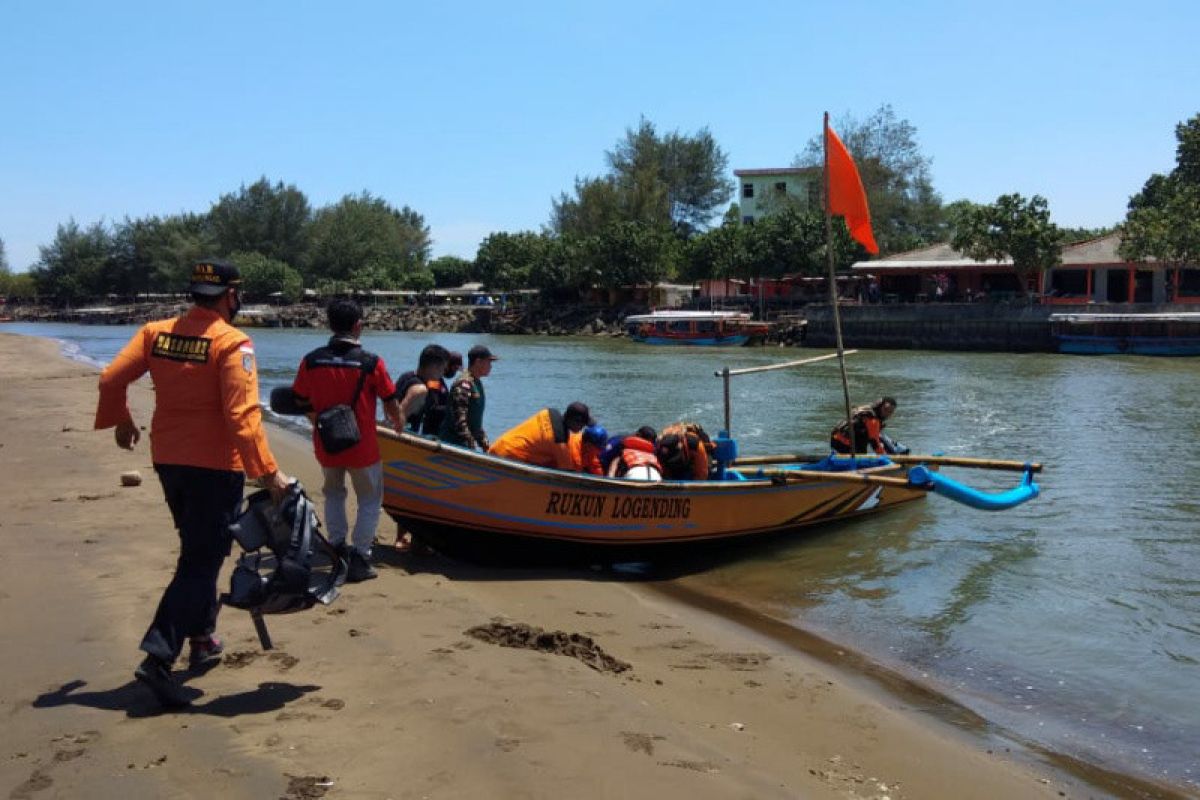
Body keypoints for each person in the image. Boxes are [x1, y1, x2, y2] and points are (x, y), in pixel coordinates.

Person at [94, 258, 291, 709]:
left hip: (168, 460)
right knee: (201, 562)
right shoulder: (232, 342)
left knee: (200, 549)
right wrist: (268, 471)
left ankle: (202, 637)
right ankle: (159, 657)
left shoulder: (155, 333)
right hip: (214, 467)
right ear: (231, 296)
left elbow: (110, 379)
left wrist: (122, 419)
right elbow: (242, 416)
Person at [291, 299, 401, 583]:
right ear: (358, 326)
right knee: (369, 500)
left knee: (334, 493)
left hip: (326, 445)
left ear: (330, 324)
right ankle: (361, 557)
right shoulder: (371, 362)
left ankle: (337, 547)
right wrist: (400, 424)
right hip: (363, 446)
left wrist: (318, 422)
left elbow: (300, 399)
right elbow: (390, 401)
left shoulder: (311, 360)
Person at [488, 402, 593, 470]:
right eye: (582, 425)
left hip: (497, 447)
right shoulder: (559, 443)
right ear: (574, 422)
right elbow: (568, 476)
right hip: (508, 459)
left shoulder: (548, 412)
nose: (582, 428)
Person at [438, 344, 497, 451]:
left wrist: (486, 445)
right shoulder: (464, 384)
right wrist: (470, 446)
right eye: (489, 362)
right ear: (478, 362)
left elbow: (475, 423)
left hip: (464, 445)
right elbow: (460, 420)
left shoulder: (476, 383)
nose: (491, 366)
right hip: (452, 445)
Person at [395, 343, 450, 434]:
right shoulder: (420, 390)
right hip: (401, 440)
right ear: (434, 367)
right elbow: (397, 419)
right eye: (443, 369)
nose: (442, 374)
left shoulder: (405, 376)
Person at [830, 396, 898, 455]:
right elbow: (874, 443)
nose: (887, 414)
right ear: (879, 406)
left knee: (879, 437)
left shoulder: (866, 410)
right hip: (844, 444)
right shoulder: (872, 419)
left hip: (836, 440)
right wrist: (885, 457)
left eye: (891, 412)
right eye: (885, 409)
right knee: (866, 442)